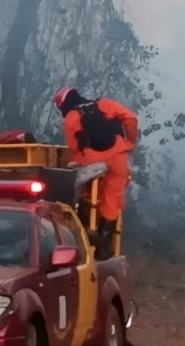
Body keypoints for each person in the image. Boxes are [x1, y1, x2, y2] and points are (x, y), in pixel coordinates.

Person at [53, 87, 138, 258]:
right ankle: (104, 247)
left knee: (85, 194)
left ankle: (86, 231)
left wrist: (80, 163)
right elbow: (131, 118)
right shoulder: (104, 104)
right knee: (112, 198)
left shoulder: (71, 118)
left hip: (92, 162)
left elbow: (75, 150)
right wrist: (130, 141)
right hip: (118, 157)